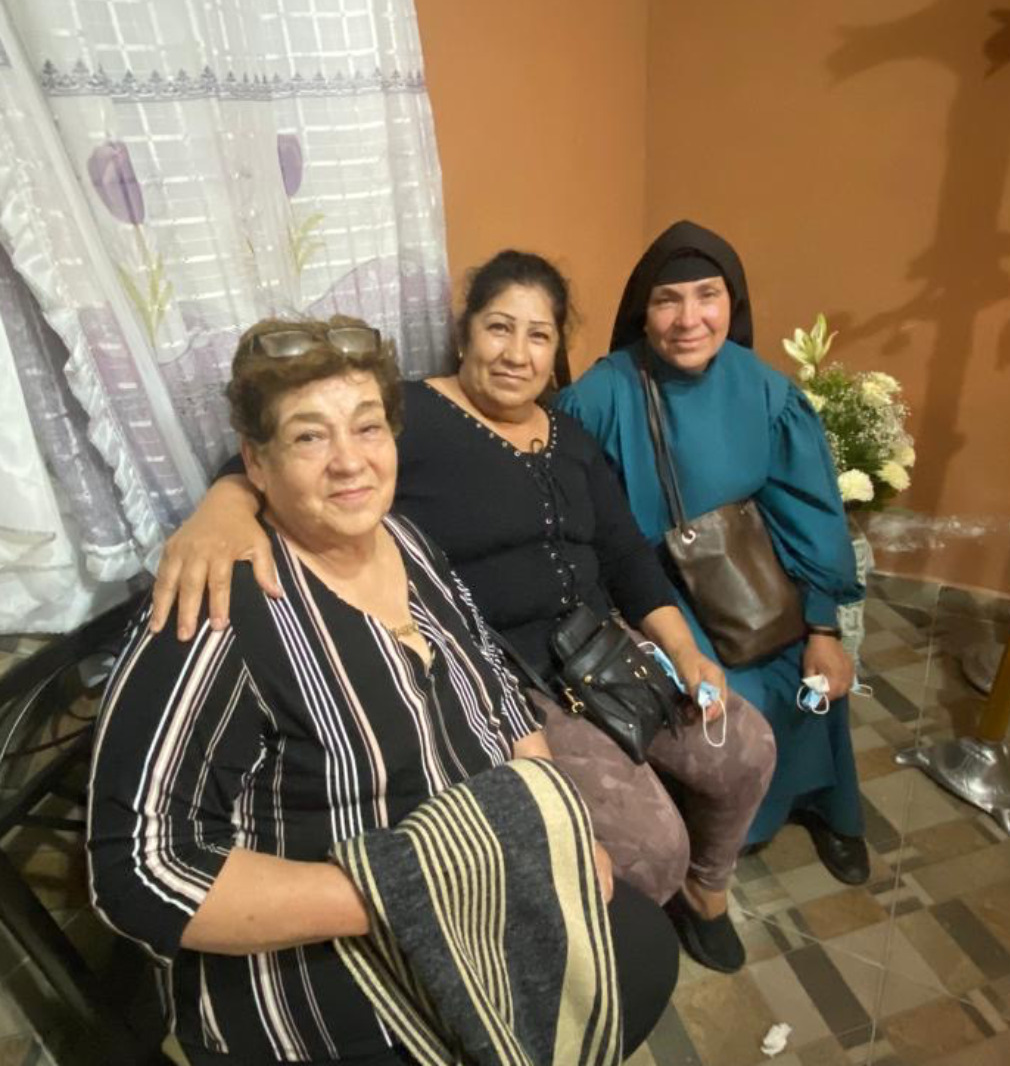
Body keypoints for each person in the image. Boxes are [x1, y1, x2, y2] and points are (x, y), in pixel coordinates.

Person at [148, 254, 777, 974]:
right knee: (651, 846)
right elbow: (271, 461)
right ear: (465, 331)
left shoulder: (570, 437)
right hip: (510, 678)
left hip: (609, 652)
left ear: (556, 350)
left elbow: (628, 556)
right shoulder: (407, 418)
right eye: (498, 328)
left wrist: (686, 652)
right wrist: (220, 511)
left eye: (538, 336)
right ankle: (598, 944)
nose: (516, 353)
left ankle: (705, 893)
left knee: (747, 749)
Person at [88, 316, 677, 1066]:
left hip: (477, 891)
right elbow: (137, 872)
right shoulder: (218, 611)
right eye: (309, 436)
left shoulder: (407, 541)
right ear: (255, 463)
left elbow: (494, 686)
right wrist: (414, 889)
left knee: (641, 944)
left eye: (368, 427)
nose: (349, 462)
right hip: (326, 974)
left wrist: (559, 824)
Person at [557, 221, 870, 885]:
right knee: (727, 700)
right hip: (649, 593)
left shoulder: (765, 391)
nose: (689, 319)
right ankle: (720, 836)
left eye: (708, 295)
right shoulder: (602, 394)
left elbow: (807, 510)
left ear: (734, 302)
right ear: (643, 310)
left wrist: (823, 627)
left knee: (810, 683)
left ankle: (819, 801)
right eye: (668, 300)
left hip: (744, 576)